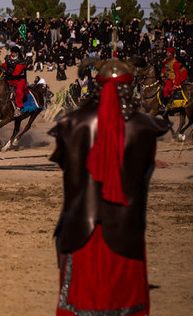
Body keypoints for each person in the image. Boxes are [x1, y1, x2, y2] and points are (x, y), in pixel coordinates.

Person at [49, 59, 169, 316]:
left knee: (78, 300)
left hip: (82, 226)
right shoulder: (144, 127)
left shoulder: (73, 124)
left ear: (97, 86)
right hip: (126, 227)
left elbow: (65, 167)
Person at [3, 46, 28, 117]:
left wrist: (7, 72)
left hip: (19, 80)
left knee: (18, 91)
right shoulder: (8, 58)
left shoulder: (21, 61)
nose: (13, 54)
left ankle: (18, 108)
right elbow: (5, 66)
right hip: (9, 79)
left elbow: (16, 72)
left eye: (14, 52)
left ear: (17, 53)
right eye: (12, 52)